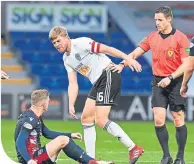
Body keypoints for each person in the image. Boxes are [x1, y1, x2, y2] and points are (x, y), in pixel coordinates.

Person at [49, 26, 144, 164]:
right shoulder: (66, 59)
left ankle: (133, 148)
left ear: (66, 37)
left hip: (108, 74)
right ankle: (90, 160)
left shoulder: (81, 43)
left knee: (100, 119)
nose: (57, 45)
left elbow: (107, 49)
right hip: (98, 82)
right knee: (86, 118)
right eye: (54, 43)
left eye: (58, 41)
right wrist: (71, 103)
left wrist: (127, 59)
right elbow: (73, 83)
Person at [110, 6, 190, 164]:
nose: (157, 23)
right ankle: (166, 156)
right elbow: (134, 53)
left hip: (175, 82)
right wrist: (122, 64)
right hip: (158, 82)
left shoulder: (181, 38)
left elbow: (186, 65)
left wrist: (171, 77)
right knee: (159, 120)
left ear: (169, 19)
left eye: (160, 20)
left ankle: (180, 157)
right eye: (155, 20)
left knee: (177, 118)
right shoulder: (152, 37)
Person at [14, 89, 113, 164]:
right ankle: (93, 162)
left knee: (63, 141)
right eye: (48, 101)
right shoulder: (30, 119)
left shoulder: (35, 116)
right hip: (32, 159)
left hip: (36, 156)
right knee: (62, 140)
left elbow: (47, 133)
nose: (49, 103)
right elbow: (19, 141)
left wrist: (71, 135)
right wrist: (29, 160)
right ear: (43, 104)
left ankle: (92, 161)